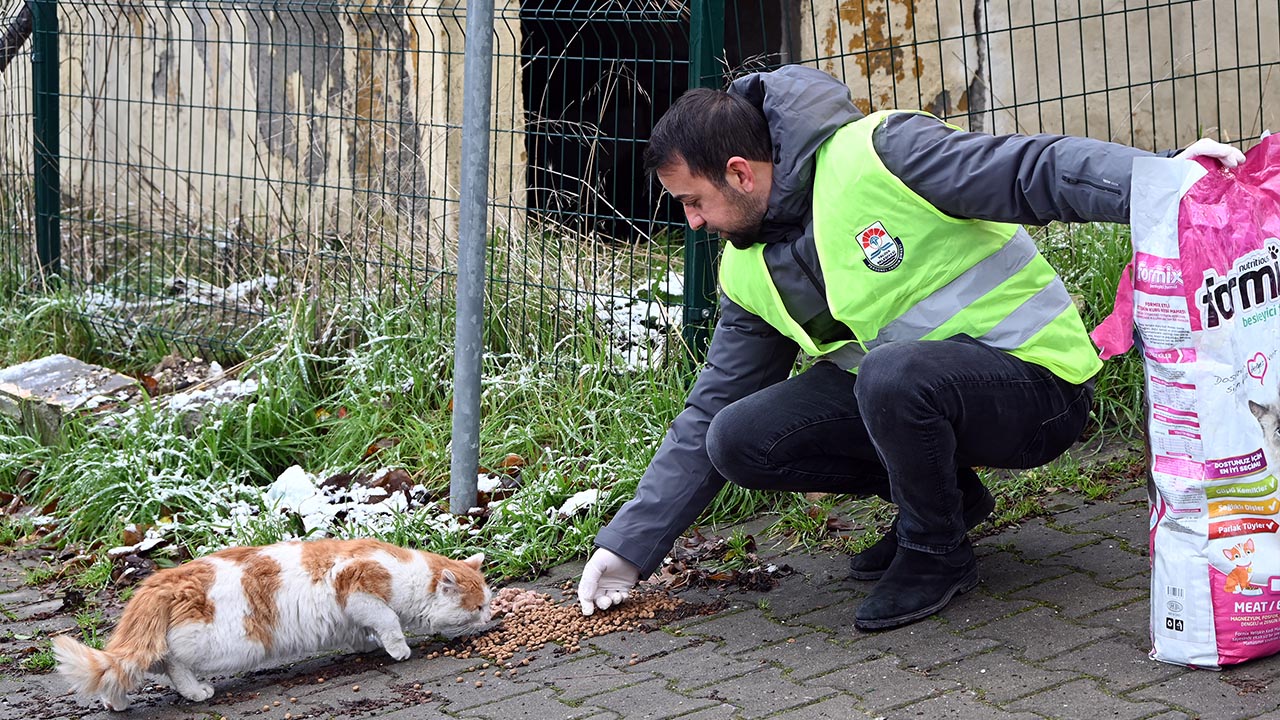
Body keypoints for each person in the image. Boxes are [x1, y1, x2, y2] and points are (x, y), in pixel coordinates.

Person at [575, 65, 1245, 630]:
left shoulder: (881, 155)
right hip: (916, 394)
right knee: (736, 435)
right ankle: (949, 500)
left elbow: (1028, 170)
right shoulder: (748, 267)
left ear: (741, 174)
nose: (692, 224)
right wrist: (629, 548)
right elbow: (707, 411)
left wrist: (1161, 181)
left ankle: (936, 552)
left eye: (693, 202)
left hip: (1040, 390)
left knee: (893, 374)